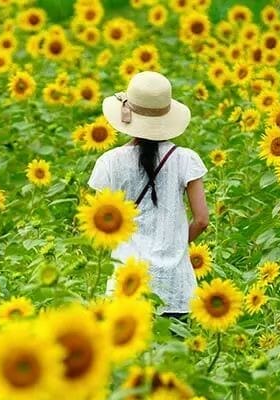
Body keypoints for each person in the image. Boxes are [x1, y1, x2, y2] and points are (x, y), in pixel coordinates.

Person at [88, 71, 209, 318]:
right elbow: (202, 220)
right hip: (174, 285)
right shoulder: (186, 159)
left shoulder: (109, 163)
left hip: (126, 283)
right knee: (174, 354)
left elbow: (100, 225)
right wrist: (173, 244)